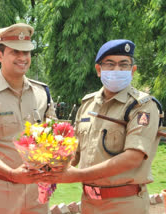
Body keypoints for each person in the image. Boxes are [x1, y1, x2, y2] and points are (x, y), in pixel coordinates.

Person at [43, 39, 162, 214]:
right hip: (89, 204)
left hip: (124, 205)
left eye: (124, 65)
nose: (117, 70)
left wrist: (77, 175)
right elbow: (74, 151)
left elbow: (133, 157)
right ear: (99, 70)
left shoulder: (141, 106)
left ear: (132, 70)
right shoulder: (87, 104)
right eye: (110, 64)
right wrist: (48, 166)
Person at [0, 23, 56, 214]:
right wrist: (12, 174)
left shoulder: (42, 93)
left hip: (37, 192)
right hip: (2, 190)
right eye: (15, 52)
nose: (23, 58)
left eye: (26, 53)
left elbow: (53, 137)